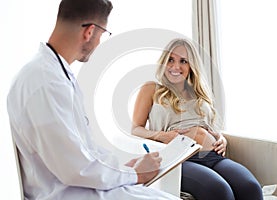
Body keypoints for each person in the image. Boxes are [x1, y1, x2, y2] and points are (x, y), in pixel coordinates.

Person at [7, 0, 181, 199]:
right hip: (70, 193)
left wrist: (124, 169)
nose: (99, 42)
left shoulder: (54, 74)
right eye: (103, 34)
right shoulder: (45, 81)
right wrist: (134, 174)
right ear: (89, 32)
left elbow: (84, 151)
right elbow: (75, 167)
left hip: (80, 187)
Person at [131, 38, 263, 200]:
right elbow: (136, 129)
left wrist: (220, 138)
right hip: (179, 160)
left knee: (251, 187)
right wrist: (163, 135)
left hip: (213, 155)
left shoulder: (198, 92)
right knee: (219, 191)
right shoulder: (152, 88)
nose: (175, 66)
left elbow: (208, 127)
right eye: (170, 60)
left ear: (191, 65)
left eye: (183, 61)